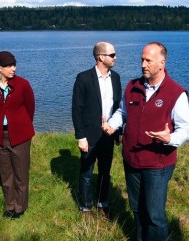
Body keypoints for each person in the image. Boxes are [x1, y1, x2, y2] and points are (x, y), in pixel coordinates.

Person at [103, 42, 189, 240]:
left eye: (148, 60)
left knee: (155, 215)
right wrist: (112, 125)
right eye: (142, 59)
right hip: (131, 159)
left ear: (162, 63)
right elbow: (123, 112)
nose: (143, 64)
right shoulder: (132, 86)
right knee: (136, 208)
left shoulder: (176, 93)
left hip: (157, 164)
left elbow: (185, 128)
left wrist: (170, 138)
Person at [0, 51, 35, 219]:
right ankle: (9, 205)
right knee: (5, 173)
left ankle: (20, 207)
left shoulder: (23, 84)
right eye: (9, 66)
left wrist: (21, 125)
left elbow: (30, 108)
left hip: (20, 135)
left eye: (14, 64)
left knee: (21, 173)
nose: (13, 68)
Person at [72, 41, 122, 218]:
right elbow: (77, 109)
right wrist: (81, 136)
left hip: (108, 134)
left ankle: (102, 202)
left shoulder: (115, 77)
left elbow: (119, 107)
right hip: (90, 135)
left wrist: (119, 132)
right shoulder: (83, 78)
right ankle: (86, 206)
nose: (116, 58)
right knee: (86, 172)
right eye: (112, 55)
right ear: (101, 57)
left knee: (105, 171)